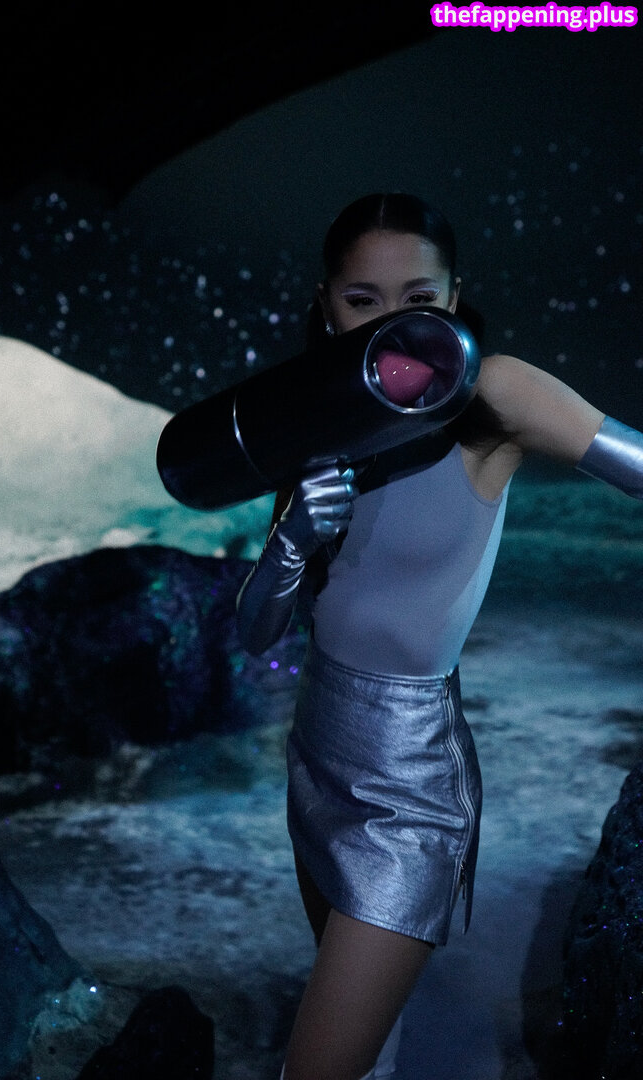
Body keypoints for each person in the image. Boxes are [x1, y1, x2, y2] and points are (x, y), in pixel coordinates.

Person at [235, 192, 643, 1080]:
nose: (393, 322)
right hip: (317, 759)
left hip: (410, 790)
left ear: (455, 299)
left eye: (419, 299)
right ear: (325, 304)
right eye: (363, 300)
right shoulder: (315, 418)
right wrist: (292, 538)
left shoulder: (495, 395)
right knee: (367, 1057)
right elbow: (257, 632)